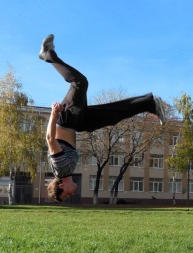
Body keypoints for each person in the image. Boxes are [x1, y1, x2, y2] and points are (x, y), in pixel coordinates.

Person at [40, 34, 165, 202]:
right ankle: (149, 104)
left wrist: (54, 113)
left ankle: (48, 55)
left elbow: (49, 139)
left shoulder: (60, 169)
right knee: (111, 116)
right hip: (78, 123)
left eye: (67, 194)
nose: (71, 194)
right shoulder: (67, 171)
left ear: (61, 186)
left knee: (80, 83)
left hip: (67, 119)